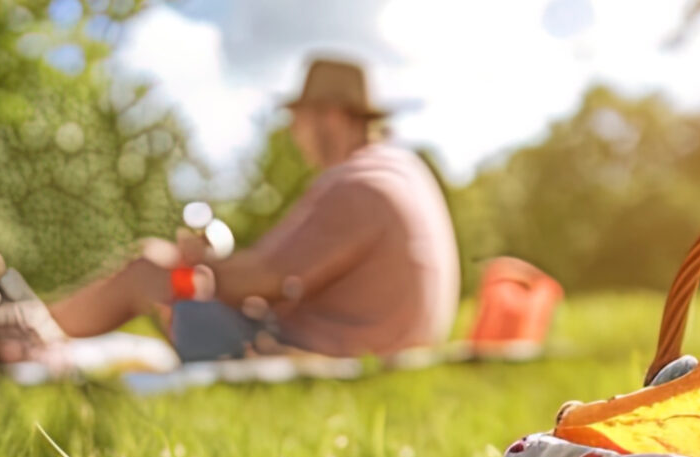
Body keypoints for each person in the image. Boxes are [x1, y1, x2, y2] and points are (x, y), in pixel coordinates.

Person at [49, 56, 461, 362]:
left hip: (321, 358)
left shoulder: (357, 184)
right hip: (370, 349)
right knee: (166, 270)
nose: (294, 134)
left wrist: (201, 263)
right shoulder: (398, 169)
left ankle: (29, 332)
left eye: (298, 120)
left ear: (330, 116)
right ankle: (37, 327)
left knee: (148, 269)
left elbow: (263, 278)